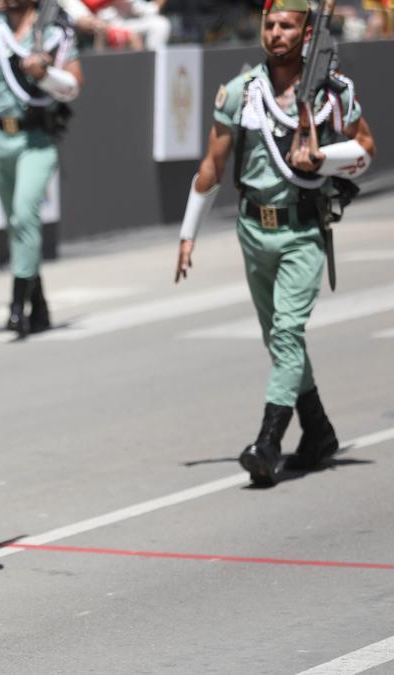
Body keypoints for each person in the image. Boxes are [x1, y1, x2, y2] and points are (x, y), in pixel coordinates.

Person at [174, 0, 375, 486]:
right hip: (252, 229)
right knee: (279, 341)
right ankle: (320, 432)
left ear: (307, 34)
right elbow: (212, 166)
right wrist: (188, 233)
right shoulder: (241, 92)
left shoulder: (333, 91)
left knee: (286, 334)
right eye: (269, 24)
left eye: (287, 25)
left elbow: (364, 149)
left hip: (302, 228)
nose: (276, 33)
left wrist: (321, 157)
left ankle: (268, 442)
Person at [0, 0, 83, 338]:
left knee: (23, 216)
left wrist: (45, 72)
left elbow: (74, 83)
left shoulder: (52, 32)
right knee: (17, 223)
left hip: (36, 138)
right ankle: (40, 305)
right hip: (0, 137)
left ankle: (17, 305)